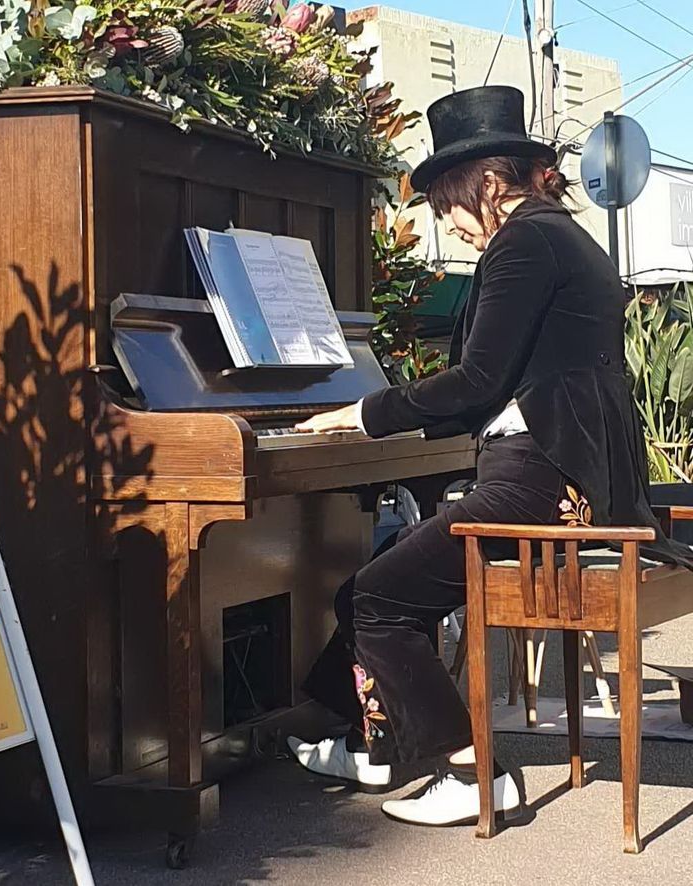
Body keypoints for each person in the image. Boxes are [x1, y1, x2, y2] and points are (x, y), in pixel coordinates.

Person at [286, 85, 693, 827]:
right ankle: (371, 743)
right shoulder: (558, 237)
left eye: (447, 204)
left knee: (379, 599)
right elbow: (491, 394)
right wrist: (390, 437)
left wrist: (360, 413)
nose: (449, 223)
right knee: (373, 586)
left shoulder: (525, 243)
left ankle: (472, 775)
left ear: (488, 184)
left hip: (543, 480)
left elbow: (476, 381)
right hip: (555, 471)